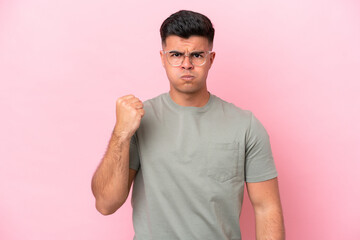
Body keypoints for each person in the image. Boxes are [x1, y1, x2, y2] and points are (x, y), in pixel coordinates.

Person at [91, 10, 285, 240]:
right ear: (163, 58)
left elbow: (267, 208)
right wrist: (121, 133)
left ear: (210, 59)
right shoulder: (138, 120)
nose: (186, 64)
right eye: (175, 54)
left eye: (196, 55)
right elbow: (106, 204)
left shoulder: (246, 126)